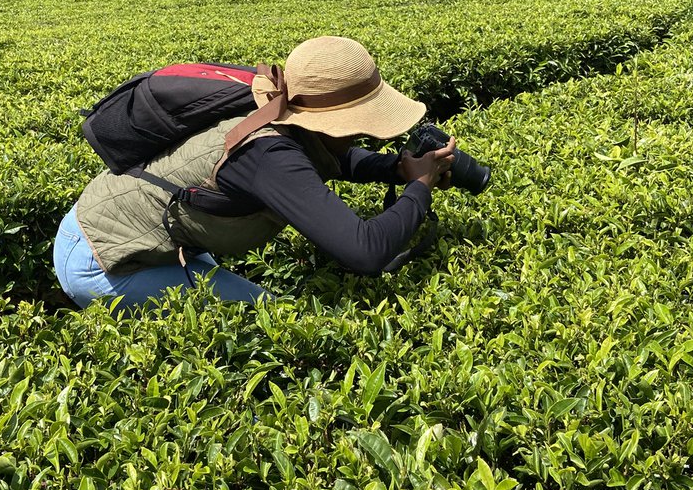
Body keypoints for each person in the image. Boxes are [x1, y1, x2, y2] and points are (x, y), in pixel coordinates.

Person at [53, 36, 455, 310]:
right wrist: (420, 187)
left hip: (119, 232)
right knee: (268, 318)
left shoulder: (280, 119)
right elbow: (365, 251)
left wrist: (397, 168)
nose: (365, 132)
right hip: (102, 258)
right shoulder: (270, 154)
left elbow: (333, 159)